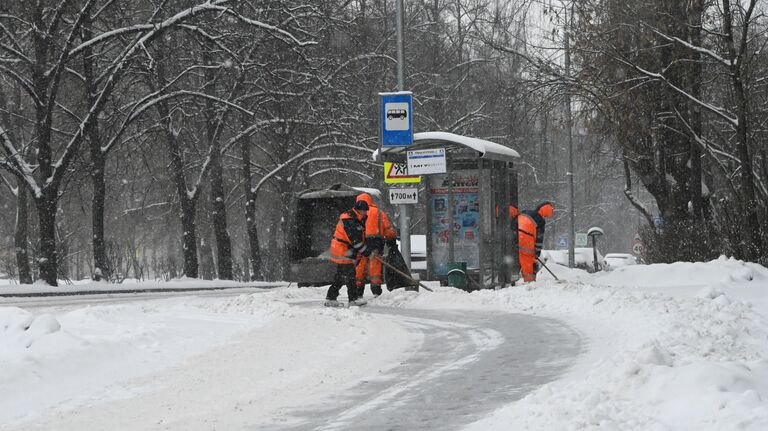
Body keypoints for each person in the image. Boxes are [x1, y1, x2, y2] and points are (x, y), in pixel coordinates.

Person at [325, 200, 371, 307]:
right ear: (359, 210)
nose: (365, 213)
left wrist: (365, 250)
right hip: (342, 250)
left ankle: (331, 297)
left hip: (344, 249)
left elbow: (359, 238)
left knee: (340, 276)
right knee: (350, 275)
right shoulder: (349, 220)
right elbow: (355, 240)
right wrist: (367, 252)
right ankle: (353, 299)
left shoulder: (356, 218)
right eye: (364, 211)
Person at [354, 193, 397, 297]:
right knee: (375, 265)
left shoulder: (356, 213)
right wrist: (391, 240)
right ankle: (376, 289)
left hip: (361, 242)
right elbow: (388, 229)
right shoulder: (378, 212)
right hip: (376, 242)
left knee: (360, 265)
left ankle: (358, 289)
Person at [514, 202, 554, 282]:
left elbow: (515, 221)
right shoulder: (540, 221)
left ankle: (512, 279)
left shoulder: (525, 212)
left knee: (514, 259)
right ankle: (530, 282)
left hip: (514, 236)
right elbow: (539, 239)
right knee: (528, 262)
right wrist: (537, 253)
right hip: (526, 241)